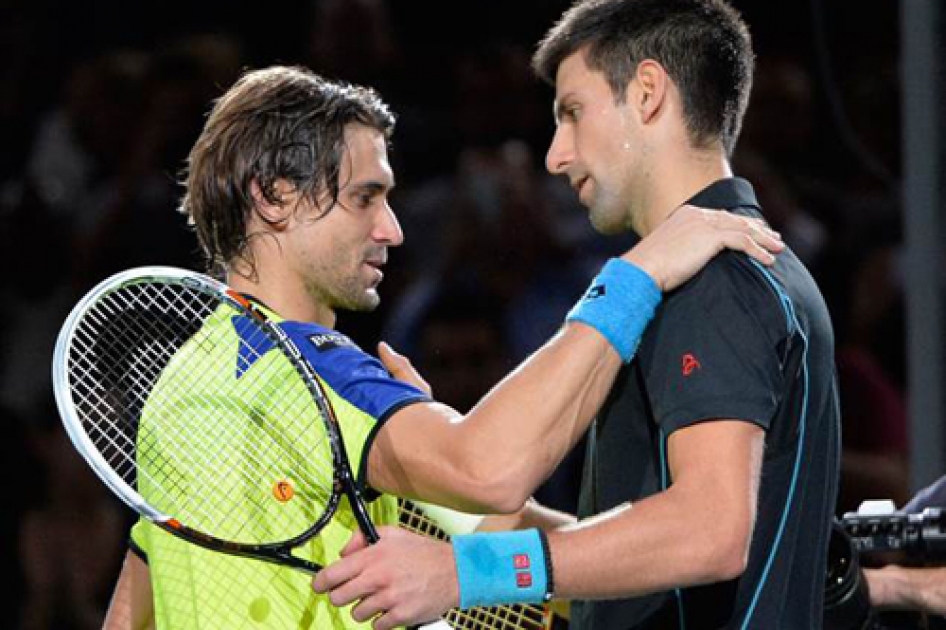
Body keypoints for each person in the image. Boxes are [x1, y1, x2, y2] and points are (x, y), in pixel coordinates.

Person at [101, 64, 782, 628]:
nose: (392, 229)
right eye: (365, 198)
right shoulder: (320, 376)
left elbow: (132, 609)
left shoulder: (177, 389)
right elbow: (489, 470)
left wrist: (426, 447)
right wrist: (635, 278)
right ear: (276, 197)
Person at [313, 1, 840, 629]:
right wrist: (457, 486)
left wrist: (464, 570)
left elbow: (711, 530)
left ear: (648, 93)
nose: (555, 155)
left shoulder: (715, 280)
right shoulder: (732, 269)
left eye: (572, 113)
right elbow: (641, 549)